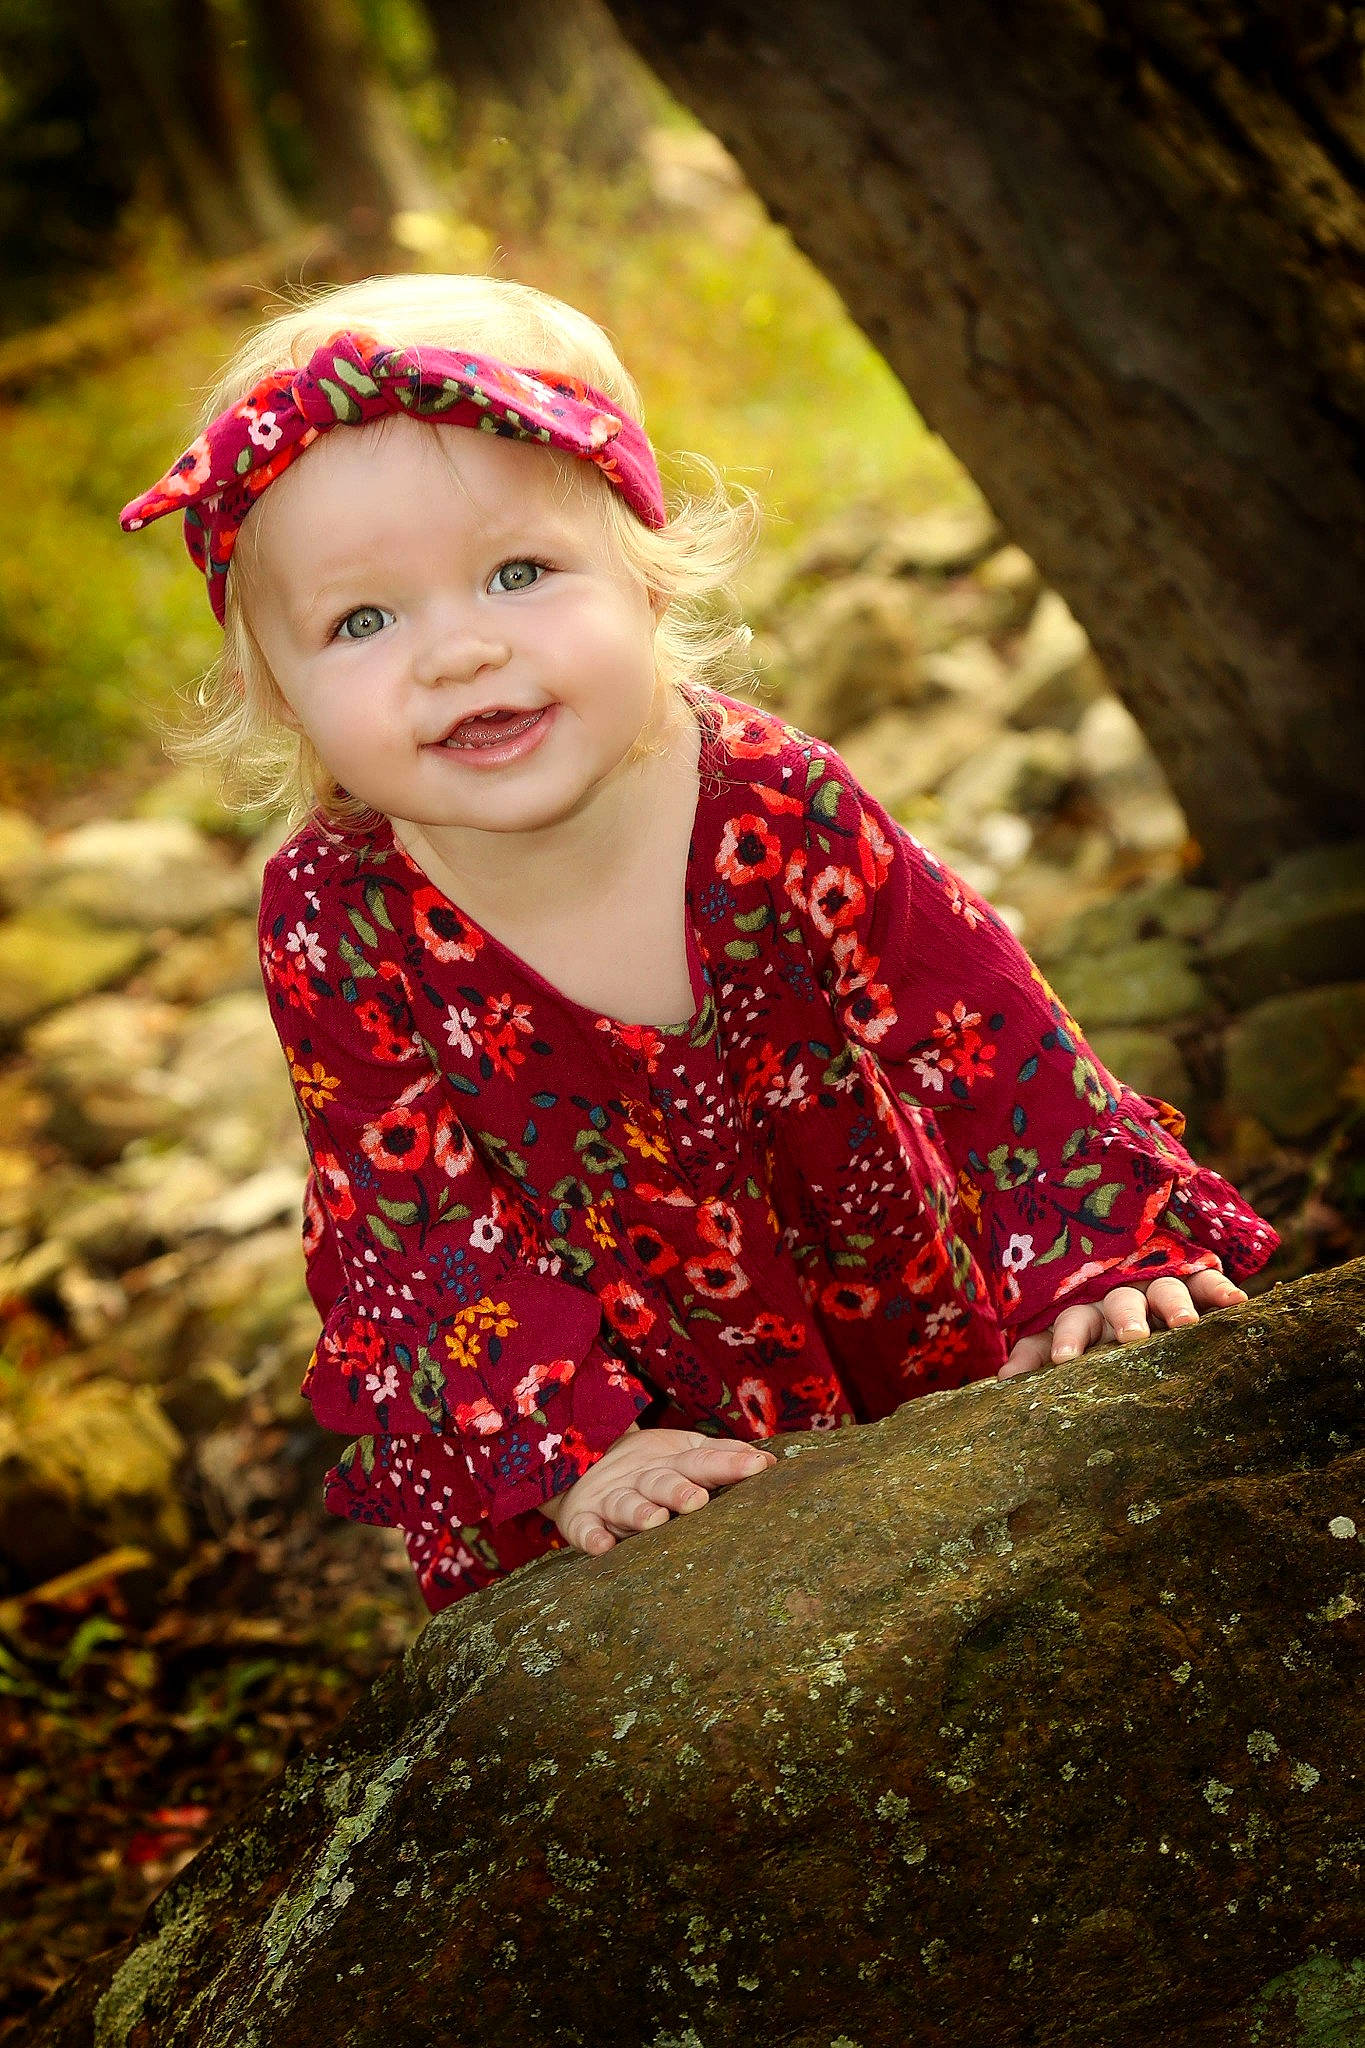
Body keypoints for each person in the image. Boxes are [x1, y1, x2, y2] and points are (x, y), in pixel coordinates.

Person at [121, 273, 1278, 1613]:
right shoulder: (338, 917)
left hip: (885, 1289)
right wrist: (574, 1450)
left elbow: (976, 1025)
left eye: (517, 573)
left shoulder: (772, 800)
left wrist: (1097, 1246)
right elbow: (409, 1215)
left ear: (645, 570)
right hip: (607, 1378)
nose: (458, 653)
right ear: (275, 690)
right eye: (361, 621)